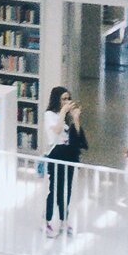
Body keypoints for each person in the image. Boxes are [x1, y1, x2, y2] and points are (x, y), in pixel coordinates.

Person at [42, 86, 88, 237]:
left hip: (69, 155)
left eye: (68, 98)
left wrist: (75, 118)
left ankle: (64, 220)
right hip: (56, 154)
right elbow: (56, 131)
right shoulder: (49, 115)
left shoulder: (67, 117)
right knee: (54, 189)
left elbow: (78, 137)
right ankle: (47, 221)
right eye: (63, 99)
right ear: (57, 99)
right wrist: (63, 112)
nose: (66, 102)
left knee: (66, 189)